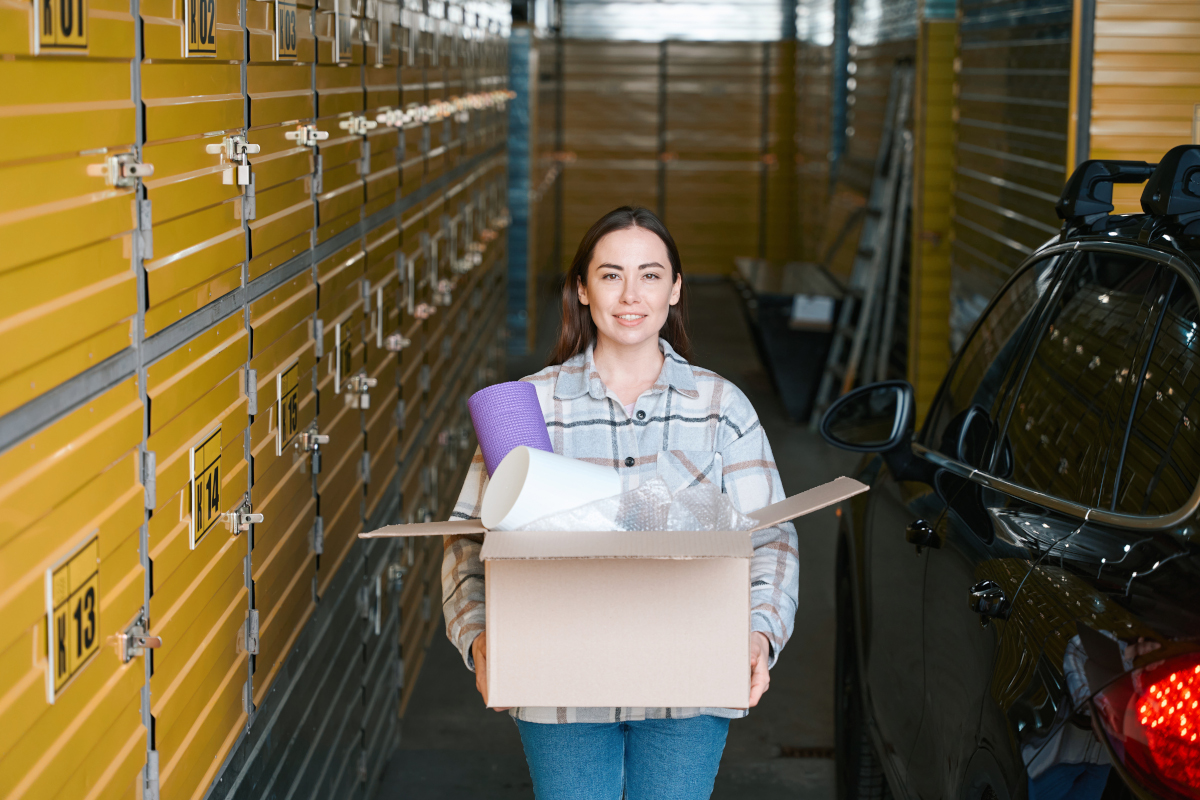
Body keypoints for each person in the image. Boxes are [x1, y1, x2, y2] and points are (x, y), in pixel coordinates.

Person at [441, 206, 800, 800]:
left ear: (675, 288)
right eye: (610, 275)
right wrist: (479, 636)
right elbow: (465, 539)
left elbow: (772, 536)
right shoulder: (529, 407)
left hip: (691, 680)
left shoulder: (719, 406)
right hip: (559, 685)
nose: (630, 294)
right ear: (582, 289)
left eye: (650, 275)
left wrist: (760, 634)